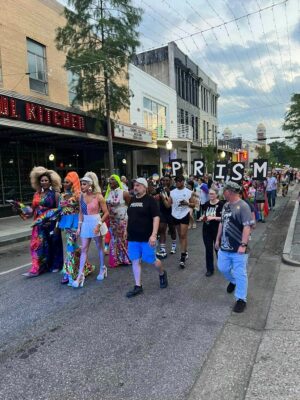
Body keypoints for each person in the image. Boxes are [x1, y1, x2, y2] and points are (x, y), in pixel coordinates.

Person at [215, 181, 255, 313]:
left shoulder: (243, 206)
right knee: (222, 268)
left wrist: (243, 245)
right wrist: (217, 239)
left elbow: (247, 226)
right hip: (224, 247)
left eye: (224, 190)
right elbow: (222, 222)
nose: (222, 192)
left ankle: (241, 299)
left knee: (240, 273)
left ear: (230, 191)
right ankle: (233, 281)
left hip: (239, 248)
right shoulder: (226, 205)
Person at [126, 178, 168, 298]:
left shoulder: (150, 200)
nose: (135, 187)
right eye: (134, 185)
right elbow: (130, 216)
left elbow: (156, 217)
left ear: (144, 187)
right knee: (135, 260)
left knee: (152, 260)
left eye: (138, 185)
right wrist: (126, 230)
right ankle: (138, 286)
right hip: (133, 237)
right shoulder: (132, 200)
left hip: (147, 237)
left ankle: (162, 273)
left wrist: (154, 235)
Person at [22, 166, 63, 278]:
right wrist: (20, 208)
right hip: (39, 224)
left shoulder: (55, 194)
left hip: (51, 223)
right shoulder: (36, 194)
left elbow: (60, 210)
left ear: (50, 182)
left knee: (54, 244)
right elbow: (31, 210)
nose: (44, 182)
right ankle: (37, 268)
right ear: (38, 182)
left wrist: (57, 226)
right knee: (38, 245)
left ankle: (56, 264)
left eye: (46, 180)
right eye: (42, 180)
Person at [73, 172, 109, 288]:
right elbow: (81, 212)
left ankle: (103, 268)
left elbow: (106, 212)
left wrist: (99, 225)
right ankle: (80, 276)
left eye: (84, 184)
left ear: (90, 185)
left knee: (99, 247)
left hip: (96, 222)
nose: (81, 186)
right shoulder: (81, 197)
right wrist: (78, 227)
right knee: (84, 248)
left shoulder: (98, 196)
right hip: (85, 224)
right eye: (81, 184)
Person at [58, 171, 95, 285]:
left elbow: (83, 210)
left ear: (73, 183)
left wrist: (84, 223)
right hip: (65, 224)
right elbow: (60, 210)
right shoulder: (62, 195)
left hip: (75, 224)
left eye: (67, 182)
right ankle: (85, 266)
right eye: (64, 182)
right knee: (73, 247)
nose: (64, 184)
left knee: (69, 247)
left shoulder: (78, 195)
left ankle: (69, 273)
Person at [168, 175, 195, 269]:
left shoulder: (189, 192)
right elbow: (168, 205)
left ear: (183, 181)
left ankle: (182, 257)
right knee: (180, 236)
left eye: (179, 181)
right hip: (175, 215)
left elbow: (193, 205)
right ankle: (185, 251)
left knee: (183, 235)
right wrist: (163, 197)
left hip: (184, 214)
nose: (178, 183)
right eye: (176, 181)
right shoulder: (172, 192)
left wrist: (187, 203)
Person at [105, 174, 131, 268]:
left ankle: (125, 258)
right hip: (112, 221)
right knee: (114, 239)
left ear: (117, 181)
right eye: (109, 180)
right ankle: (115, 260)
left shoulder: (124, 193)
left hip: (122, 219)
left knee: (123, 238)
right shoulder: (108, 193)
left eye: (112, 179)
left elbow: (129, 206)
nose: (110, 181)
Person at [200, 188, 224, 277]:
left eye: (213, 194)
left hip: (217, 230)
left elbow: (224, 218)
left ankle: (222, 266)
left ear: (217, 194)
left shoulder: (221, 204)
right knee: (208, 249)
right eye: (210, 194)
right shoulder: (206, 204)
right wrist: (203, 217)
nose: (211, 195)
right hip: (206, 230)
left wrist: (213, 218)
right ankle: (209, 269)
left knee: (218, 248)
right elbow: (205, 214)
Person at [156, 175, 177, 258]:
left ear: (170, 181)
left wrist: (169, 193)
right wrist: (156, 197)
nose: (165, 182)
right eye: (164, 180)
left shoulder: (174, 189)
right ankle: (163, 249)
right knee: (162, 229)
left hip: (172, 212)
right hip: (162, 212)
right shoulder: (160, 188)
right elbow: (153, 194)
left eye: (167, 180)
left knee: (172, 230)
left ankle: (174, 245)